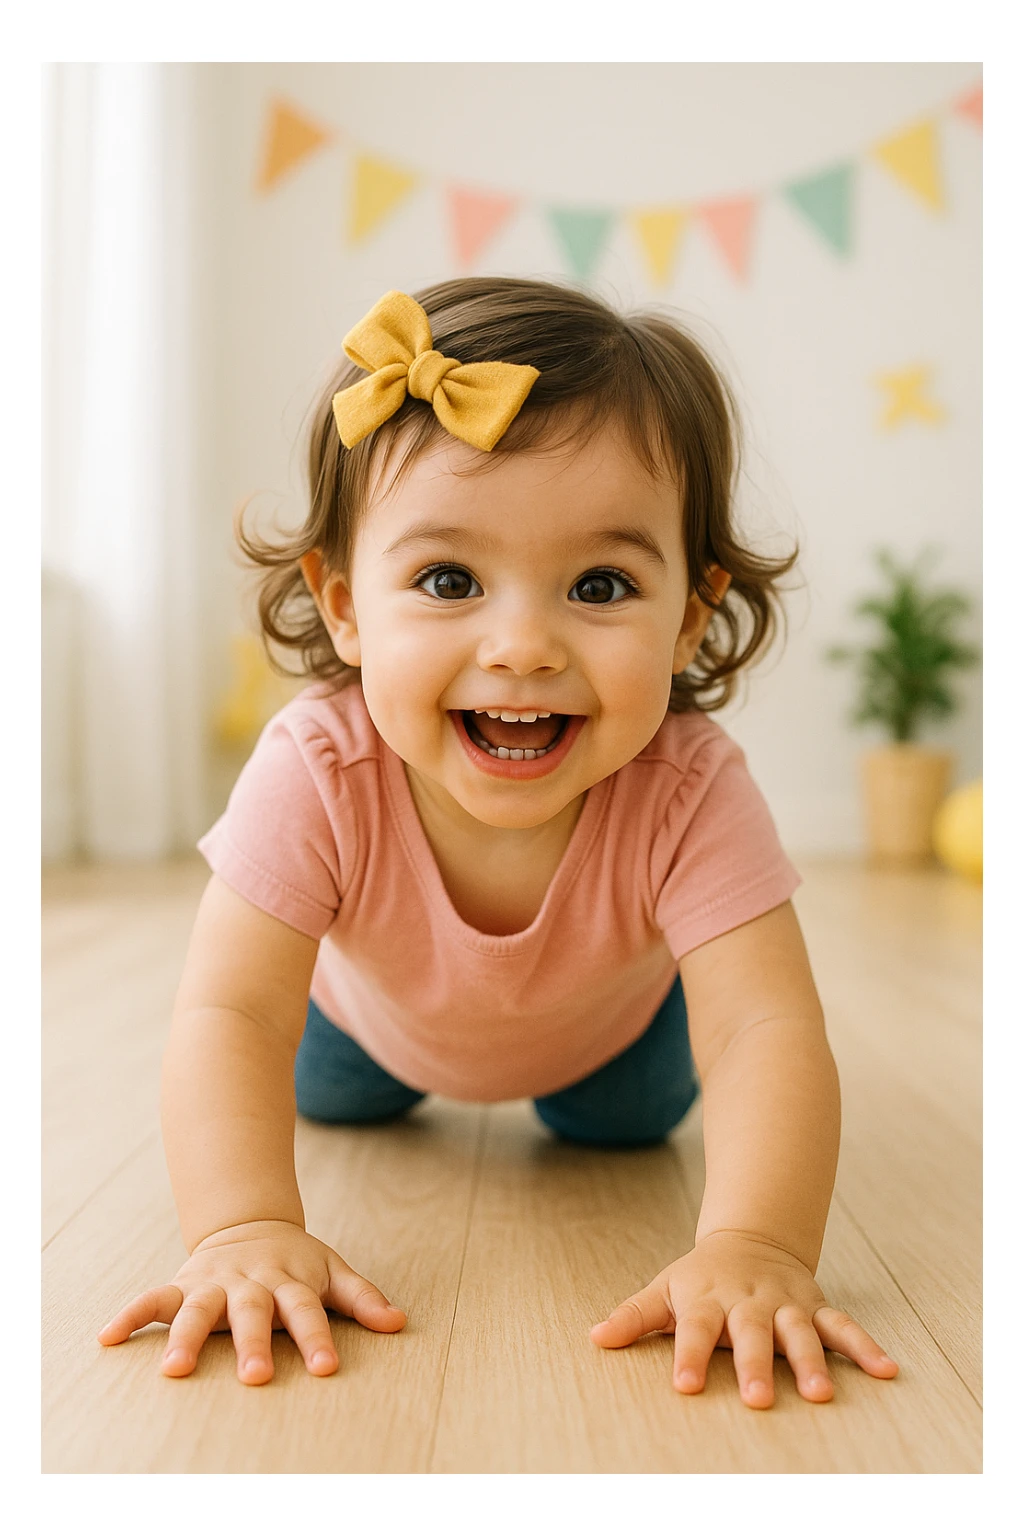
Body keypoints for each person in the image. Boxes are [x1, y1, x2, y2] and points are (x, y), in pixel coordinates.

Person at [99, 279, 899, 1409]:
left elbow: (762, 1028)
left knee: (622, 1128)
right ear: (342, 606)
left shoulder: (688, 785)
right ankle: (366, 1085)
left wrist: (758, 1247)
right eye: (447, 580)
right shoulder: (318, 767)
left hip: (611, 1049)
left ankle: (602, 1096)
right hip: (360, 1029)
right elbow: (232, 1013)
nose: (521, 645)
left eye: (600, 584)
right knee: (324, 1096)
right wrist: (242, 1225)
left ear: (688, 616)